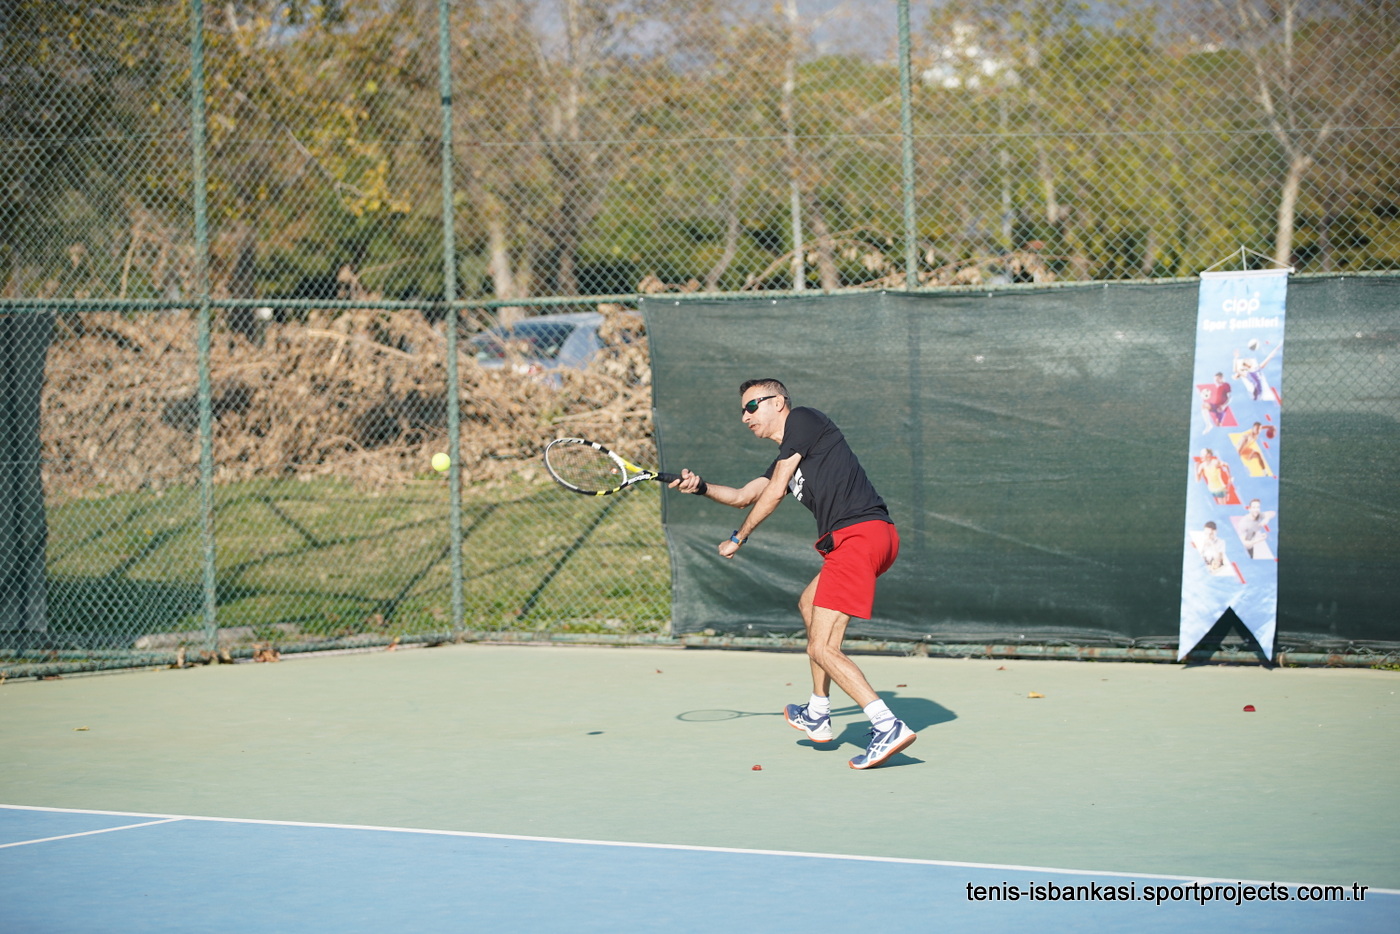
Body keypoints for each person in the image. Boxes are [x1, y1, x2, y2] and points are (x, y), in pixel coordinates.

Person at [669, 379, 915, 770]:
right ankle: (818, 712)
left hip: (858, 536)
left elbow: (773, 491)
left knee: (822, 648)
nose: (745, 416)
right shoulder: (791, 454)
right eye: (742, 410)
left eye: (752, 406)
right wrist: (700, 487)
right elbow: (743, 496)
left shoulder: (803, 419)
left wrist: (739, 537)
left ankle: (887, 725)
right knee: (808, 604)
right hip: (866, 539)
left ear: (779, 402)